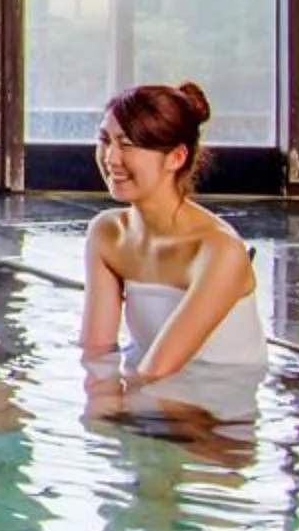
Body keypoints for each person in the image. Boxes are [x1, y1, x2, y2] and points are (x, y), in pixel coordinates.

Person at [80, 81, 266, 438]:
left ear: (176, 157)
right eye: (105, 141)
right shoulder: (107, 234)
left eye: (128, 145)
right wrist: (96, 413)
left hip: (218, 415)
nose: (111, 158)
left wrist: (117, 415)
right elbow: (96, 351)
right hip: (152, 395)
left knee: (145, 418)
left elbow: (157, 369)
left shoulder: (218, 250)